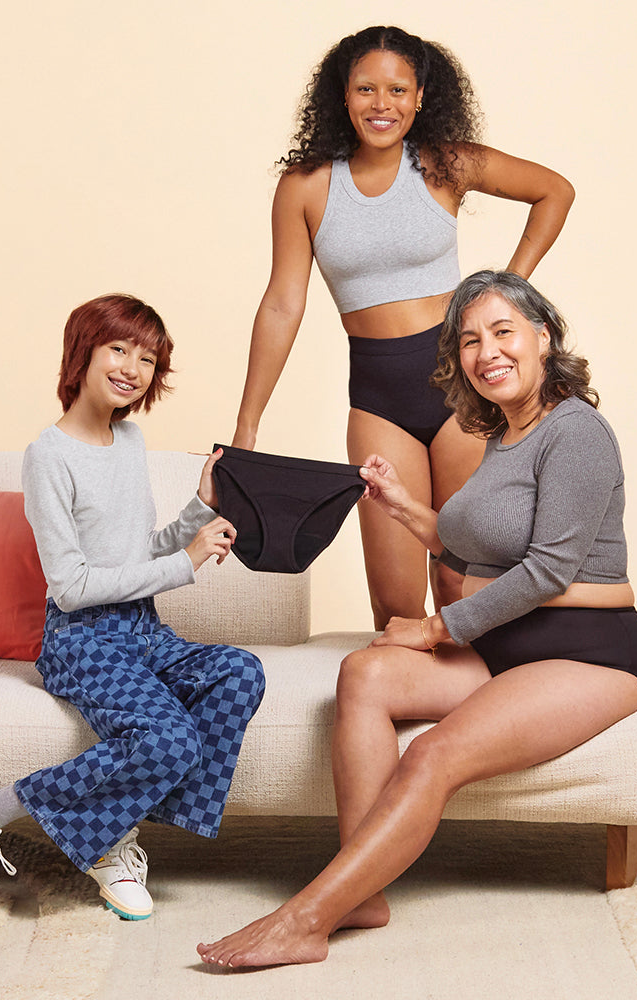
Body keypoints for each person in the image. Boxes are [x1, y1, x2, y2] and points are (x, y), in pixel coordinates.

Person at [197, 270, 637, 967]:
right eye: (470, 340)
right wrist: (399, 503)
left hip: (588, 652)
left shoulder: (577, 432)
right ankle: (361, 892)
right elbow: (467, 541)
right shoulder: (505, 433)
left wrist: (436, 628)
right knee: (365, 675)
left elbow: (547, 572)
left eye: (503, 331)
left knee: (435, 753)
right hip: (508, 644)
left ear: (543, 335)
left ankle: (308, 918)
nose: (486, 352)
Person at [0, 293, 265, 922]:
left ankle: (113, 827)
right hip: (80, 640)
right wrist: (186, 562)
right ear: (82, 353)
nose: (132, 368)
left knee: (239, 671)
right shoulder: (49, 455)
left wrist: (198, 512)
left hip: (143, 631)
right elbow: (74, 585)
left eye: (147, 358)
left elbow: (135, 556)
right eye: (119, 349)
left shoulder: (130, 440)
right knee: (168, 739)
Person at [231, 25, 575, 629]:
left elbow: (555, 191)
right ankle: (412, 712)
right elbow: (284, 303)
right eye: (366, 88)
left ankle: (479, 713)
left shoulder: (444, 163)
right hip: (377, 398)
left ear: (421, 97)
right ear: (343, 96)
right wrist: (247, 425)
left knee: (462, 579)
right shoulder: (306, 187)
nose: (381, 104)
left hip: (461, 386)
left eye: (397, 89)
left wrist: (506, 296)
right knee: (395, 605)